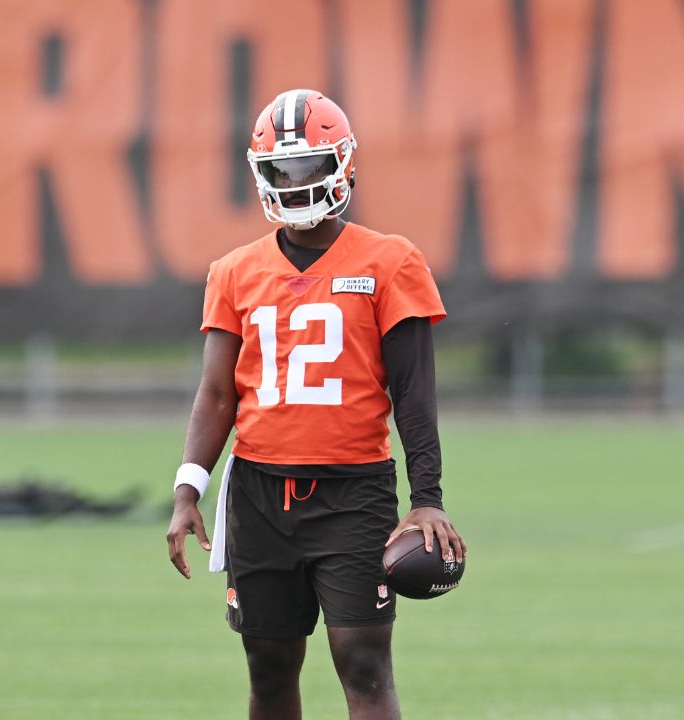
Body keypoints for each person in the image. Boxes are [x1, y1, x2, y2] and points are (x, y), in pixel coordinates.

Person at [166, 88, 466, 720]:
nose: (297, 182)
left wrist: (428, 497)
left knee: (362, 660)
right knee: (269, 669)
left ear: (343, 165)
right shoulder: (233, 271)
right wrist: (187, 488)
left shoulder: (391, 261)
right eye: (283, 170)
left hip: (353, 492)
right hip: (257, 493)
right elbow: (218, 392)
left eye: (309, 167)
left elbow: (414, 391)